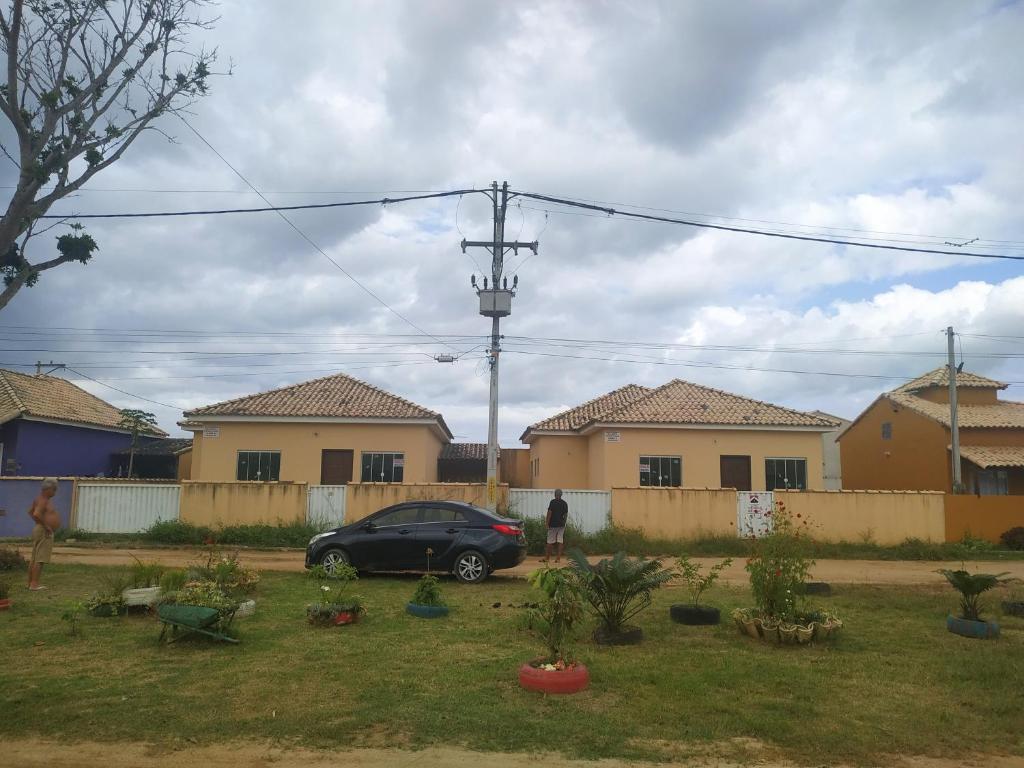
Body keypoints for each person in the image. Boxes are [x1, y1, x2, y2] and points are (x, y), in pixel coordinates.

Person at [27, 478, 59, 591]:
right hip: (43, 531)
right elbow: (36, 514)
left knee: (35, 558)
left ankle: (30, 583)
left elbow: (30, 512)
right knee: (40, 558)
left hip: (39, 529)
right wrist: (46, 526)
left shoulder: (39, 499)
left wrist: (39, 523)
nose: (55, 492)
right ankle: (34, 584)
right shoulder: (43, 500)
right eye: (54, 489)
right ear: (48, 489)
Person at [545, 489, 569, 563]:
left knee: (550, 541)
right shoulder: (565, 503)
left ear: (555, 494)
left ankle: (547, 559)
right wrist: (564, 523)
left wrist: (547, 523)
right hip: (561, 525)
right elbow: (565, 515)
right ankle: (558, 559)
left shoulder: (553, 502)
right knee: (560, 541)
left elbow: (549, 513)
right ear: (561, 495)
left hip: (553, 524)